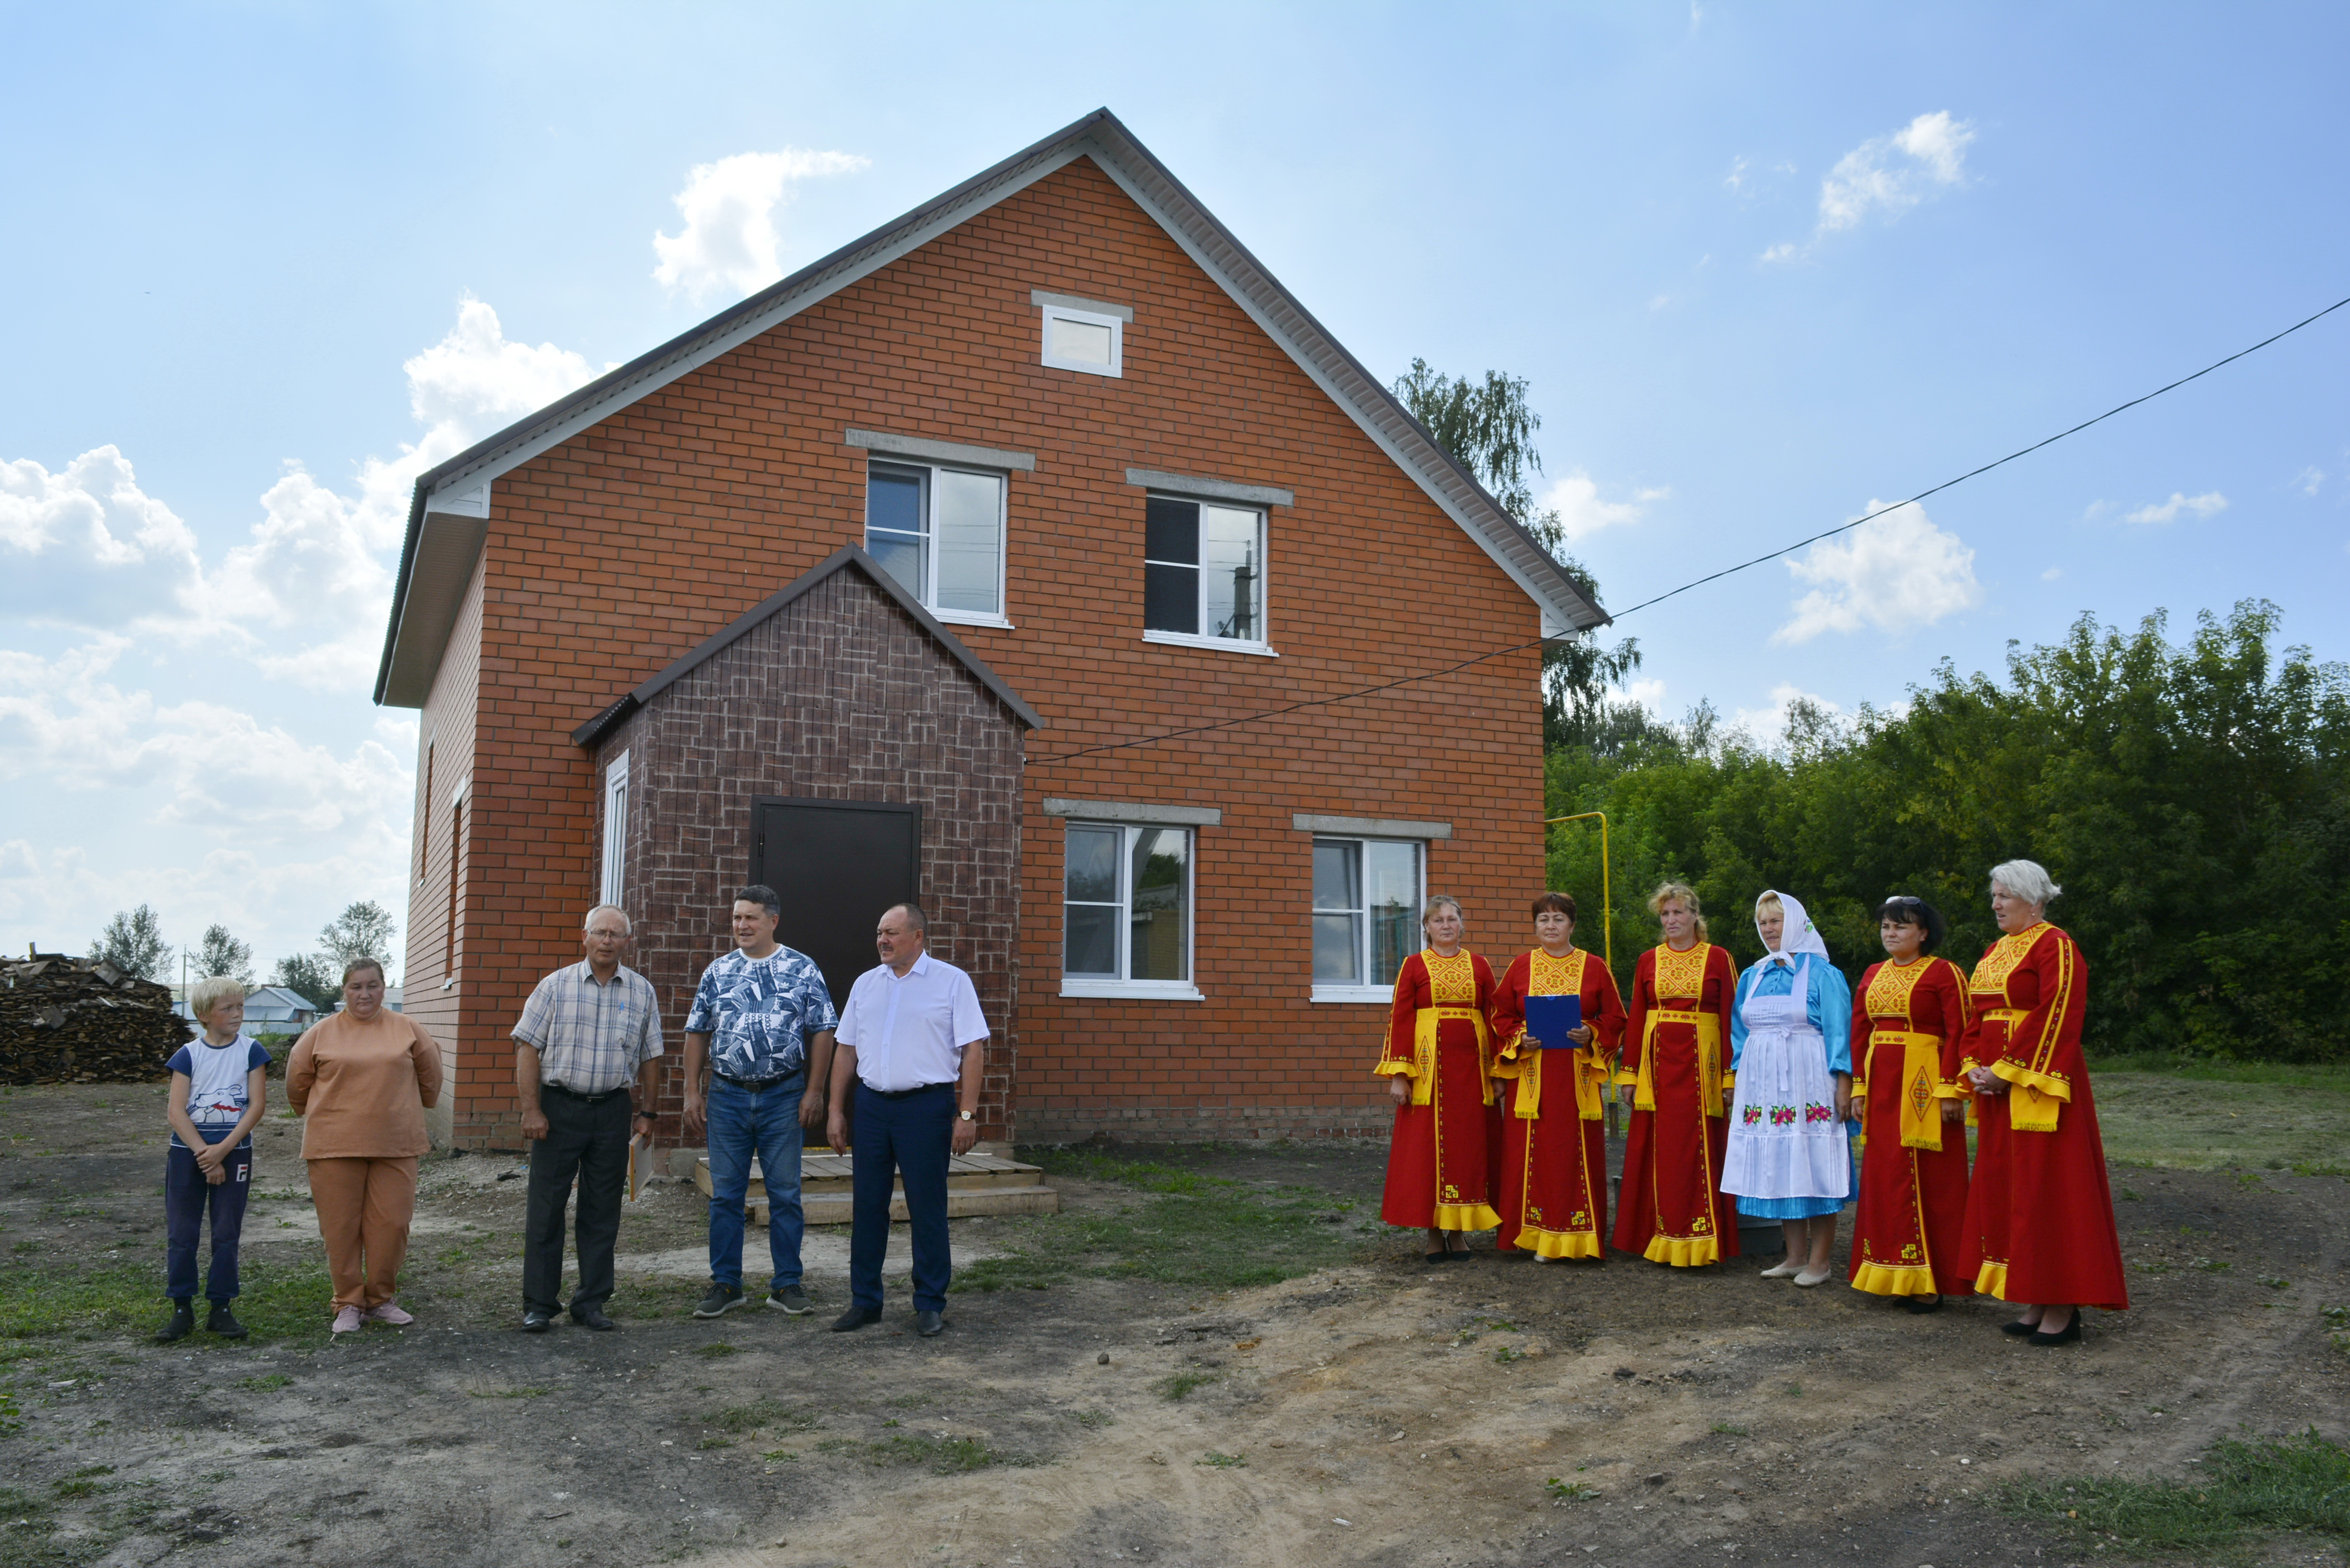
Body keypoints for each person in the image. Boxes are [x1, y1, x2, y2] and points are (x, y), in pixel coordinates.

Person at [1956, 860, 2128, 1344]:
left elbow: (2059, 1012)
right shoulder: (1994, 952)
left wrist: (2008, 1071)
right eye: (1994, 896)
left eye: (2003, 896)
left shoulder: (2057, 946)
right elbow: (1977, 1014)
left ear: (2033, 898)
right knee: (2013, 1191)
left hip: (2040, 1087)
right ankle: (2034, 1296)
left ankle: (2064, 1306)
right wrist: (1973, 1065)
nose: (1995, 904)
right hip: (1996, 1090)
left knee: (2049, 1191)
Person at [824, 903, 989, 1336]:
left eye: (892, 933)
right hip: (873, 1108)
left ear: (918, 937)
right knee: (868, 1206)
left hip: (926, 1107)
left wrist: (967, 1114)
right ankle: (865, 1302)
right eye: (880, 932)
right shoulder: (865, 985)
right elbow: (846, 1049)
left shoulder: (952, 982)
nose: (882, 940)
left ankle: (930, 1303)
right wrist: (836, 1109)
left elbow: (973, 1049)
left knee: (927, 1206)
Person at [682, 885, 836, 1320]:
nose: (742, 926)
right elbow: (697, 1032)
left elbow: (824, 1030)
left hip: (784, 1097)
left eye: (750, 918)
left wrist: (815, 1090)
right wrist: (692, 1092)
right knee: (726, 1196)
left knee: (785, 1194)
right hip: (728, 1097)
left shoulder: (801, 969)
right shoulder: (719, 971)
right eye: (736, 918)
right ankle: (726, 1283)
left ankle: (787, 1284)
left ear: (773, 921)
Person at [510, 904, 665, 1333]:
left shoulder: (641, 991)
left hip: (613, 1111)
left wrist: (648, 1113)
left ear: (627, 942)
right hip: (558, 1109)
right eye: (600, 933)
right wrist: (532, 1109)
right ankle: (539, 1304)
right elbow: (527, 1047)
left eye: (617, 934)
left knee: (602, 1210)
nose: (607, 941)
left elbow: (652, 1055)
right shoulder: (554, 987)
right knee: (547, 1209)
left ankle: (592, 1302)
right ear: (585, 937)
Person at [285, 959, 443, 1335]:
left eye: (372, 985)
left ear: (384, 988)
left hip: (396, 1144)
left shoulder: (408, 1029)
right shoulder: (321, 1034)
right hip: (333, 1145)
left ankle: (381, 1298)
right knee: (340, 1228)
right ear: (345, 990)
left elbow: (431, 1078)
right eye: (356, 987)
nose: (365, 994)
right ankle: (348, 1303)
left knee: (392, 1224)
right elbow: (297, 1084)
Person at [1721, 891, 1857, 1287]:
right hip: (1763, 1085)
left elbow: (1839, 1032)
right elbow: (1739, 1033)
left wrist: (1845, 1084)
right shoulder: (1754, 975)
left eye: (1776, 921)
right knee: (1783, 1163)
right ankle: (1794, 1256)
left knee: (1814, 1162)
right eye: (1763, 922)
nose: (1769, 929)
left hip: (1809, 1080)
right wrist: (1736, 1079)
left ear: (1795, 923)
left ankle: (1821, 1261)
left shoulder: (1823, 975)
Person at [1847, 896, 1974, 1311]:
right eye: (1886, 925)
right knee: (1886, 1178)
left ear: (1923, 933)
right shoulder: (1872, 974)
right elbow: (1860, 1034)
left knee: (1929, 1180)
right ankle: (1893, 1272)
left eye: (1901, 926)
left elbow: (1962, 1033)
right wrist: (1860, 1090)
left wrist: (1953, 1089)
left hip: (1924, 1088)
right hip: (1883, 1086)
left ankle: (1931, 1279)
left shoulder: (1944, 973)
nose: (1890, 933)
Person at [1488, 892, 1626, 1262]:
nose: (1551, 926)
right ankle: (1530, 1236)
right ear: (1535, 926)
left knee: (1571, 1154)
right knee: (1528, 1155)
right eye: (1543, 919)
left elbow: (1616, 1018)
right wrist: (1520, 1037)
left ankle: (1574, 1238)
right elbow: (1498, 1016)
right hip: (1530, 1078)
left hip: (1576, 1078)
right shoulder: (1520, 967)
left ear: (1572, 925)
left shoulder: (1595, 966)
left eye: (1558, 919)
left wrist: (1591, 1032)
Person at [1610, 882, 1741, 1266]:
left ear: (1695, 915)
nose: (1671, 920)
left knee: (1699, 1150)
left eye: (1678, 912)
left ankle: (1700, 1239)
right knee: (1657, 1150)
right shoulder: (1648, 960)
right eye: (1665, 914)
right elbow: (1636, 1020)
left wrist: (1730, 1076)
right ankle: (1658, 1236)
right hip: (1657, 1069)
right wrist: (1629, 1074)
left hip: (1704, 1068)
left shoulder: (1718, 958)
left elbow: (1732, 1018)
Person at [1375, 896, 1502, 1260]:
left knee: (1468, 1150)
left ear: (1462, 925)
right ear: (1427, 928)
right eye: (1438, 920)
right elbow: (1400, 1019)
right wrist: (1400, 1075)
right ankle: (1432, 1232)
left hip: (1471, 1075)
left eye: (1452, 919)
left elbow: (1493, 1018)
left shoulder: (1479, 966)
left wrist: (1496, 1073)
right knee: (1426, 1152)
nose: (1446, 926)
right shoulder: (1414, 966)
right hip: (1428, 1074)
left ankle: (1460, 1231)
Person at [156, 976, 272, 1342]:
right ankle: (181, 1308)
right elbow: (176, 1112)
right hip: (186, 1155)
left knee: (226, 1232)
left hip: (235, 1151)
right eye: (228, 1008)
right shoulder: (188, 1055)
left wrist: (221, 1152)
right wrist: (203, 1156)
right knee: (182, 1233)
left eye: (241, 1006)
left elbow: (256, 1107)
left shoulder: (252, 1051)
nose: (238, 1014)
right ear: (205, 1015)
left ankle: (221, 1308)